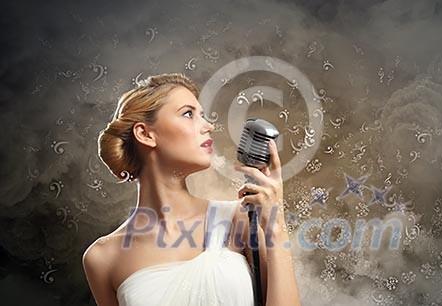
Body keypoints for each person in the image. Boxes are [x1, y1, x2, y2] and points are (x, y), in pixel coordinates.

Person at [82, 73, 301, 306]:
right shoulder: (103, 258)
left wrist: (276, 228)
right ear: (145, 134)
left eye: (203, 116)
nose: (209, 126)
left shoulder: (241, 219)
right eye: (188, 114)